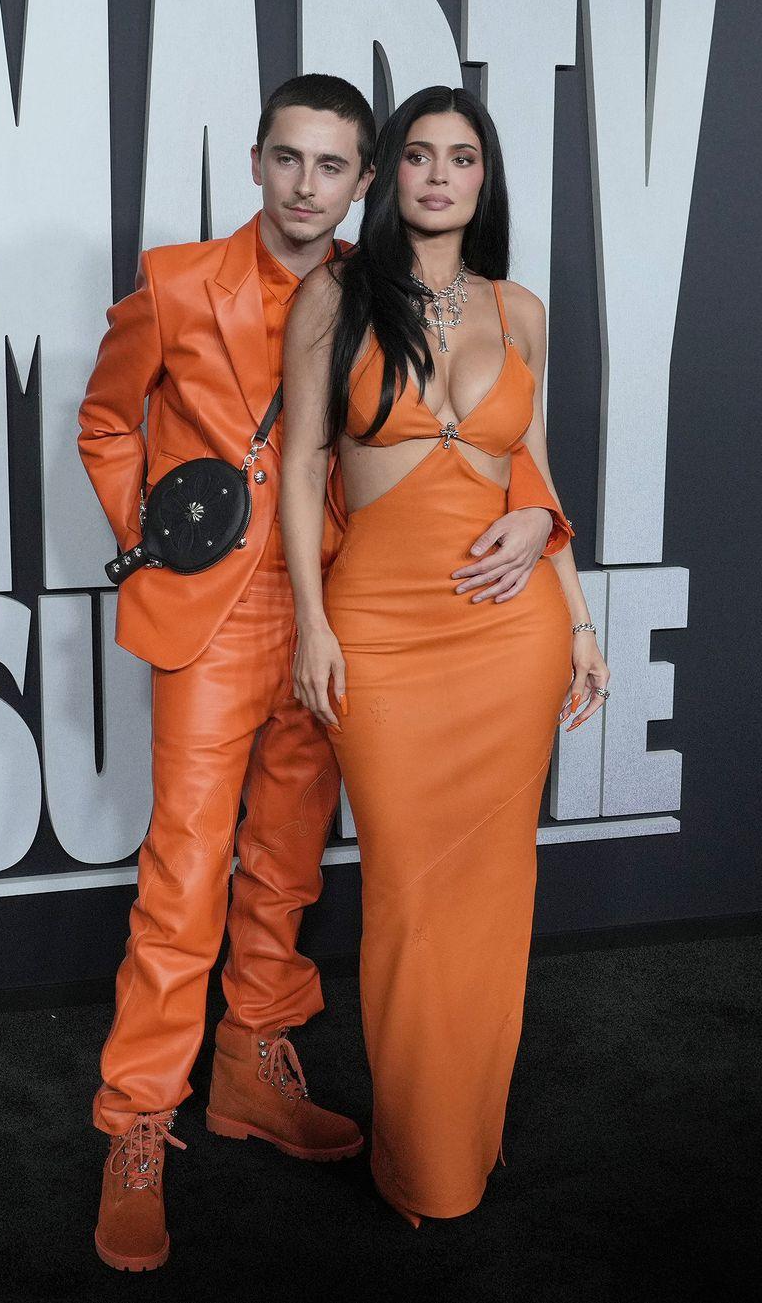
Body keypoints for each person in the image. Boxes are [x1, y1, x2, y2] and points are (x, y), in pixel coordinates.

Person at [74, 73, 565, 1271]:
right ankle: (138, 1122)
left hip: (340, 608)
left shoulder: (378, 284)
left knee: (287, 862)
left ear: (362, 182)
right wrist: (161, 533)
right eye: (287, 158)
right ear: (255, 161)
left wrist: (542, 524)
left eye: (332, 165)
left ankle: (252, 1065)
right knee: (186, 868)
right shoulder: (177, 279)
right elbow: (104, 419)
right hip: (213, 617)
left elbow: (492, 437)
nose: (306, 184)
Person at [277, 83, 612, 1227]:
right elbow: (303, 464)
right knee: (412, 900)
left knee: (494, 895)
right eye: (418, 154)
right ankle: (421, 1158)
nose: (438, 175)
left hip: (510, 636)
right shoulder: (334, 295)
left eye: (462, 158)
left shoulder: (520, 308)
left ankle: (466, 1136)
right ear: (388, 176)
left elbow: (536, 465)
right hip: (380, 629)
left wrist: (576, 608)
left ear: (485, 179)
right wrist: (313, 623)